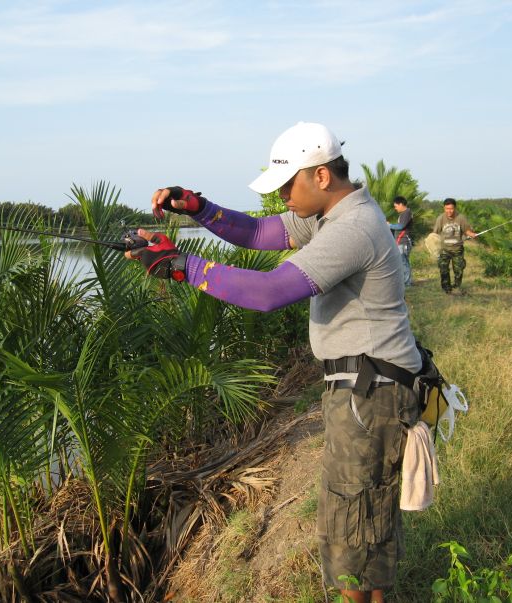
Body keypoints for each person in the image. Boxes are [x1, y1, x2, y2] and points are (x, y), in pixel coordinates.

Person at [127, 122, 423, 602]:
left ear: (321, 176)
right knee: (367, 518)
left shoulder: (352, 228)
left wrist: (183, 267)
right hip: (371, 388)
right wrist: (200, 208)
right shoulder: (331, 214)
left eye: (288, 185)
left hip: (371, 395)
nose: (283, 196)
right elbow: (259, 232)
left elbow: (268, 292)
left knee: (352, 526)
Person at [432, 198, 476, 294]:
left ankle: (456, 286)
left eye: (451, 209)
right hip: (444, 249)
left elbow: (466, 230)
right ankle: (446, 288)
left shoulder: (461, 218)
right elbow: (434, 234)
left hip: (457, 249)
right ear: (444, 208)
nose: (449, 211)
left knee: (459, 270)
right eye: (447, 209)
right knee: (443, 269)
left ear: (455, 208)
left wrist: (471, 234)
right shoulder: (440, 218)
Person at [388, 196, 413, 287]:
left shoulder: (406, 213)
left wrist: (389, 225)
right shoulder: (404, 214)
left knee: (404, 262)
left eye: (396, 206)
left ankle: (407, 283)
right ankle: (406, 281)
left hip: (404, 242)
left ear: (401, 204)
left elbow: (400, 226)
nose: (395, 208)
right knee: (403, 262)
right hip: (400, 242)